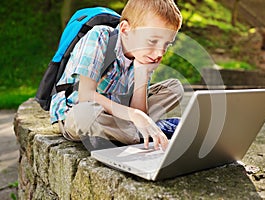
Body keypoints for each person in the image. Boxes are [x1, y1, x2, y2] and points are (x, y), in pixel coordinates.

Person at [50, 0, 184, 151]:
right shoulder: (99, 37)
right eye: (152, 41)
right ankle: (147, 132)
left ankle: (126, 133)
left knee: (174, 88)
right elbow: (86, 95)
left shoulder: (146, 54)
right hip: (79, 112)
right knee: (85, 116)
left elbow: (139, 109)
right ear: (125, 30)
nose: (159, 53)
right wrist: (133, 115)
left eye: (166, 44)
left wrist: (142, 75)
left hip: (120, 115)